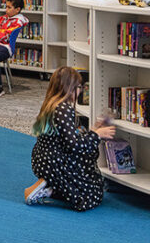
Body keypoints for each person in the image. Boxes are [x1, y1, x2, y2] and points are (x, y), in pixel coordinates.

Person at [25, 66, 113, 210]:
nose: (80, 91)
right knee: (93, 195)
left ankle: (52, 185)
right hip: (55, 163)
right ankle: (50, 188)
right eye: (78, 87)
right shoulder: (64, 109)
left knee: (89, 180)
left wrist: (93, 131)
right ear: (69, 87)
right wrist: (97, 135)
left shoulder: (50, 104)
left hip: (42, 159)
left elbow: (65, 137)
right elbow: (74, 146)